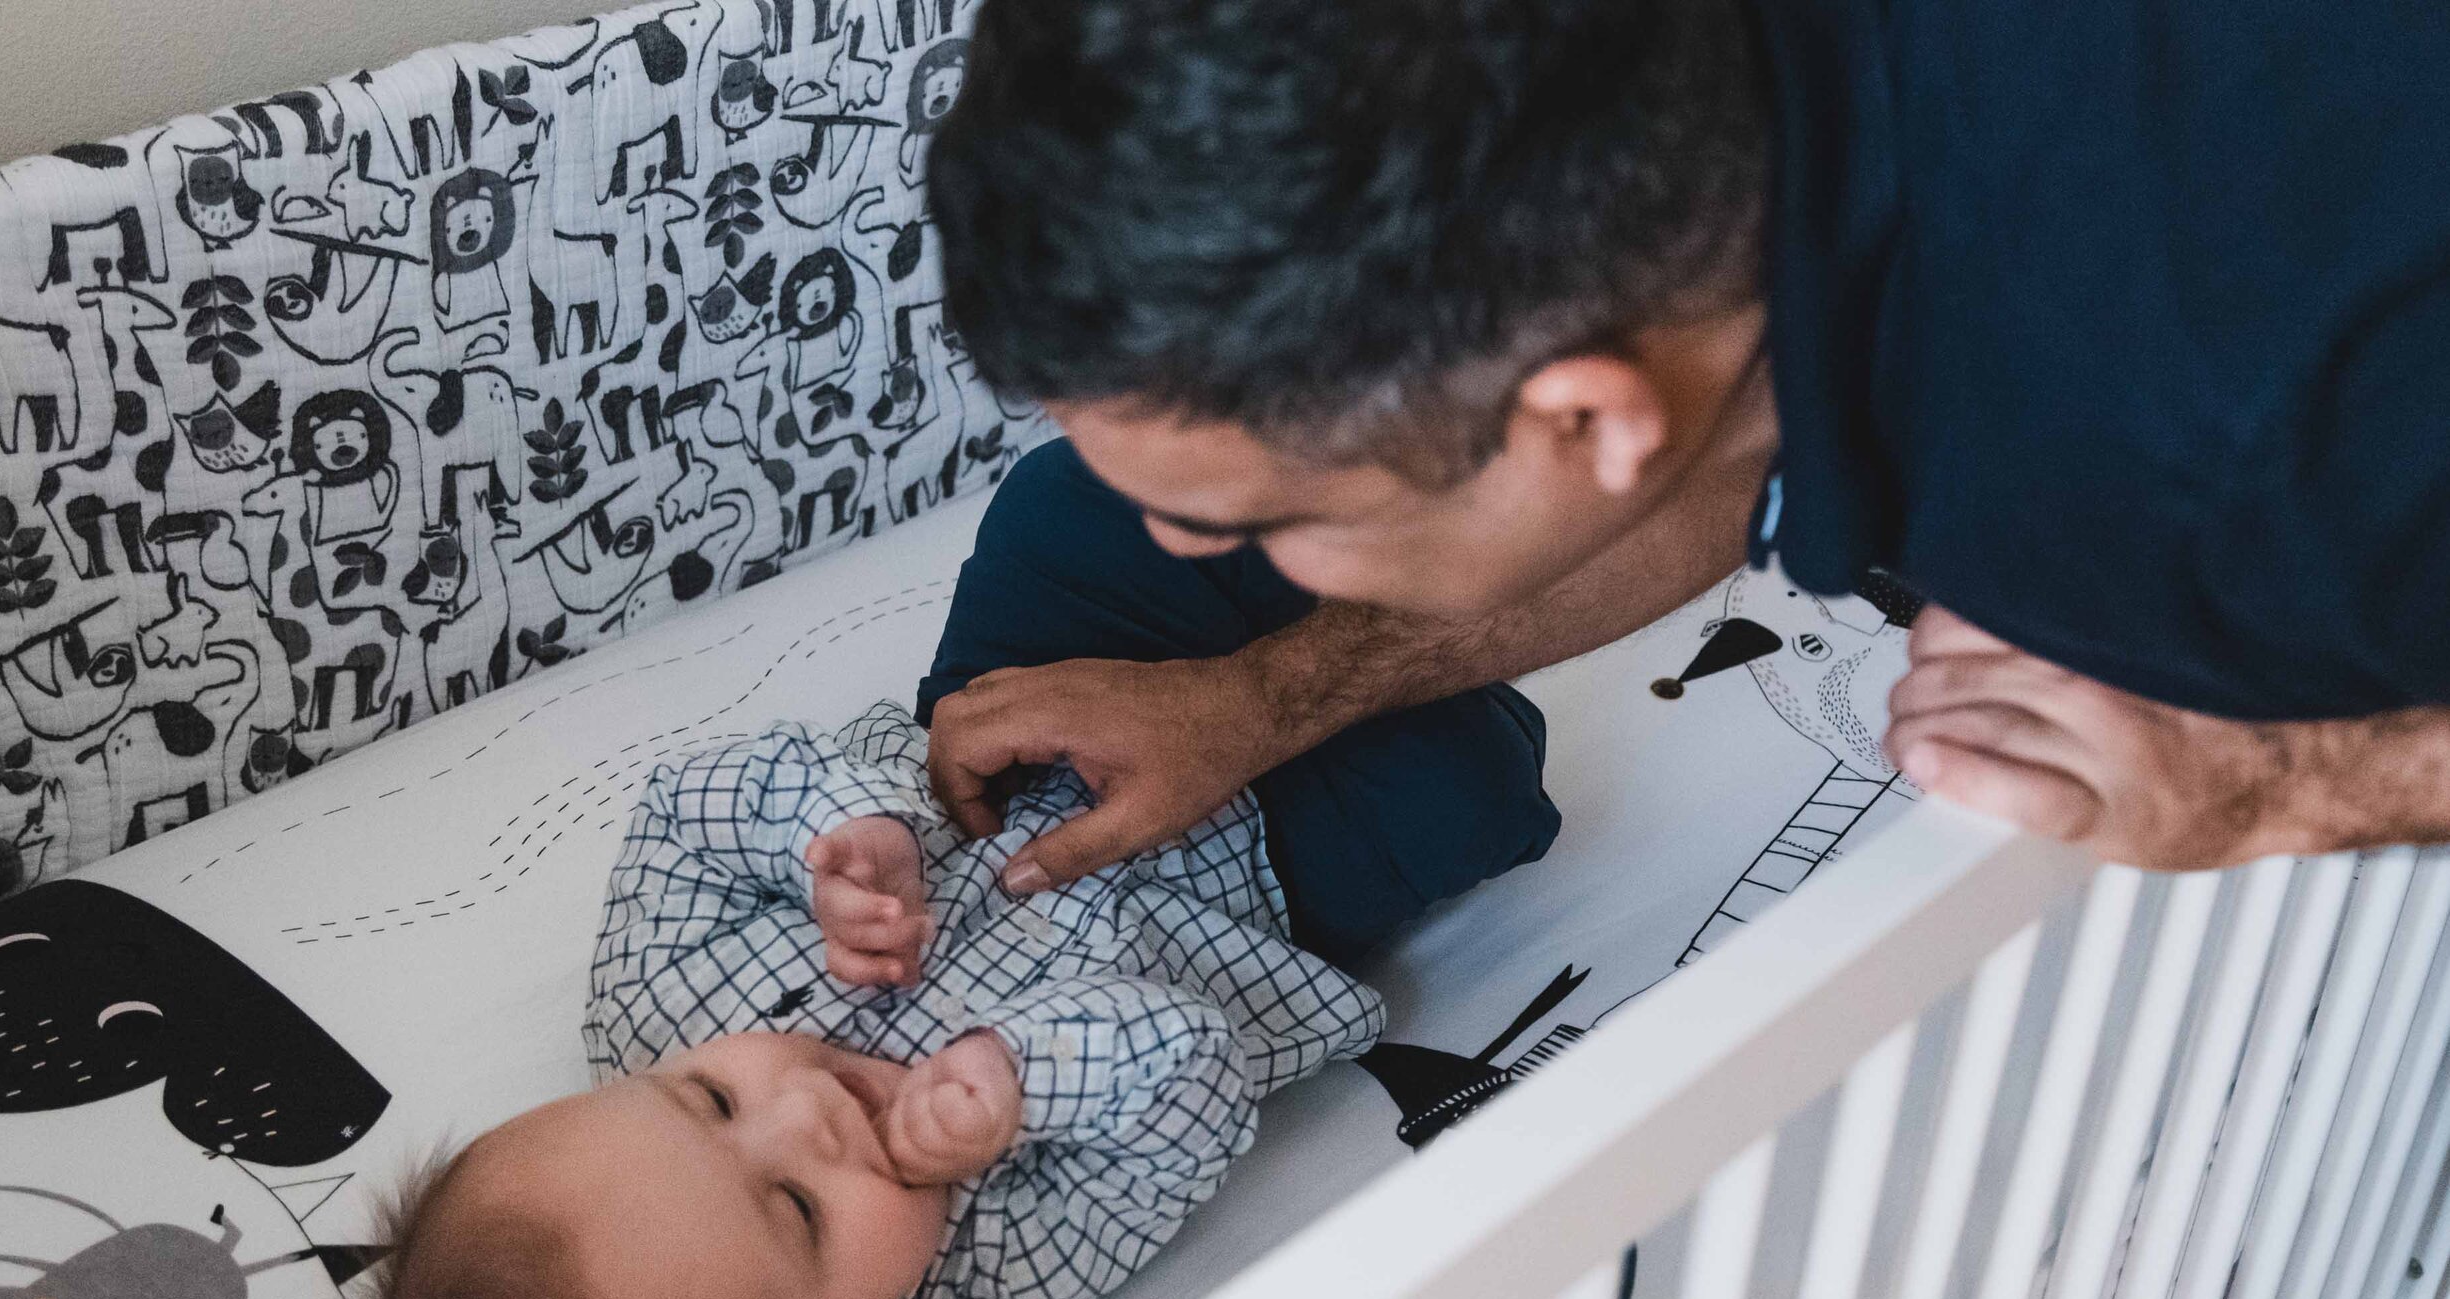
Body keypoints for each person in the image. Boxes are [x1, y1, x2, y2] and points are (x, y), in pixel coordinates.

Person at [919, 0, 2450, 882]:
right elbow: (1703, 468)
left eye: (1260, 520)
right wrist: (1260, 695)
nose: (1185, 549)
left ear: (1584, 416)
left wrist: (2306, 779)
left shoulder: (2231, 491)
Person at [369, 458, 1561, 1299]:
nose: (804, 1113)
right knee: (1473, 790)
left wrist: (840, 833)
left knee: (1062, 505)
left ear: (635, 1079)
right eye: (793, 1208)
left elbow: (690, 810)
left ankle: (1314, 538)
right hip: (1253, 872)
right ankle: (1376, 624)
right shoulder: (1000, 1269)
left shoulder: (649, 1002)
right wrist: (1019, 1078)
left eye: (709, 1098)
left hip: (1013, 733)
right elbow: (1195, 1076)